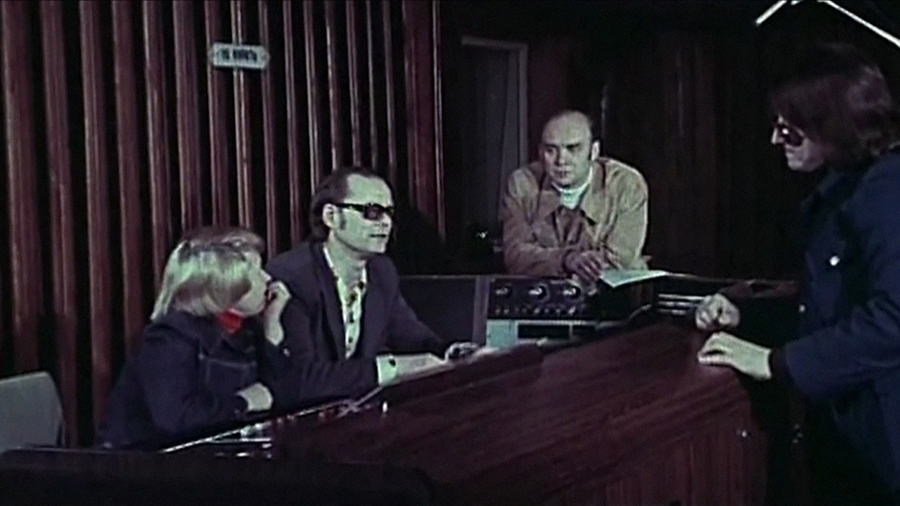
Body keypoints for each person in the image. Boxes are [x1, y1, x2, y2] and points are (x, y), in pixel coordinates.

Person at [695, 42, 900, 505]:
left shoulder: (887, 189)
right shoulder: (844, 189)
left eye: (788, 129)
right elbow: (830, 306)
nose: (775, 140)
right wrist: (744, 315)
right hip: (852, 436)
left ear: (831, 123)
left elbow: (893, 319)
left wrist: (776, 363)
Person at [267, 166, 480, 408]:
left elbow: (410, 335)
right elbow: (300, 380)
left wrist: (451, 352)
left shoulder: (381, 271)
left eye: (389, 213)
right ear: (331, 217)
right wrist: (394, 367)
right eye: (372, 212)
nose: (386, 223)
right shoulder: (293, 276)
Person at [97, 227, 291, 449]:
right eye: (256, 272)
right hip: (144, 462)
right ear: (223, 284)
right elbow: (176, 420)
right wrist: (243, 402)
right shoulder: (169, 339)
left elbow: (280, 396)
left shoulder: (248, 331)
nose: (267, 279)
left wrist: (272, 331)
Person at [499, 110, 649, 283]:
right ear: (540, 153)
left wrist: (578, 264)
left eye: (573, 149)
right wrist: (566, 259)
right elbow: (515, 255)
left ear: (594, 151)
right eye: (551, 150)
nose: (561, 161)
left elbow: (621, 258)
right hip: (546, 292)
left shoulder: (625, 184)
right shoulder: (522, 184)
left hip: (613, 291)